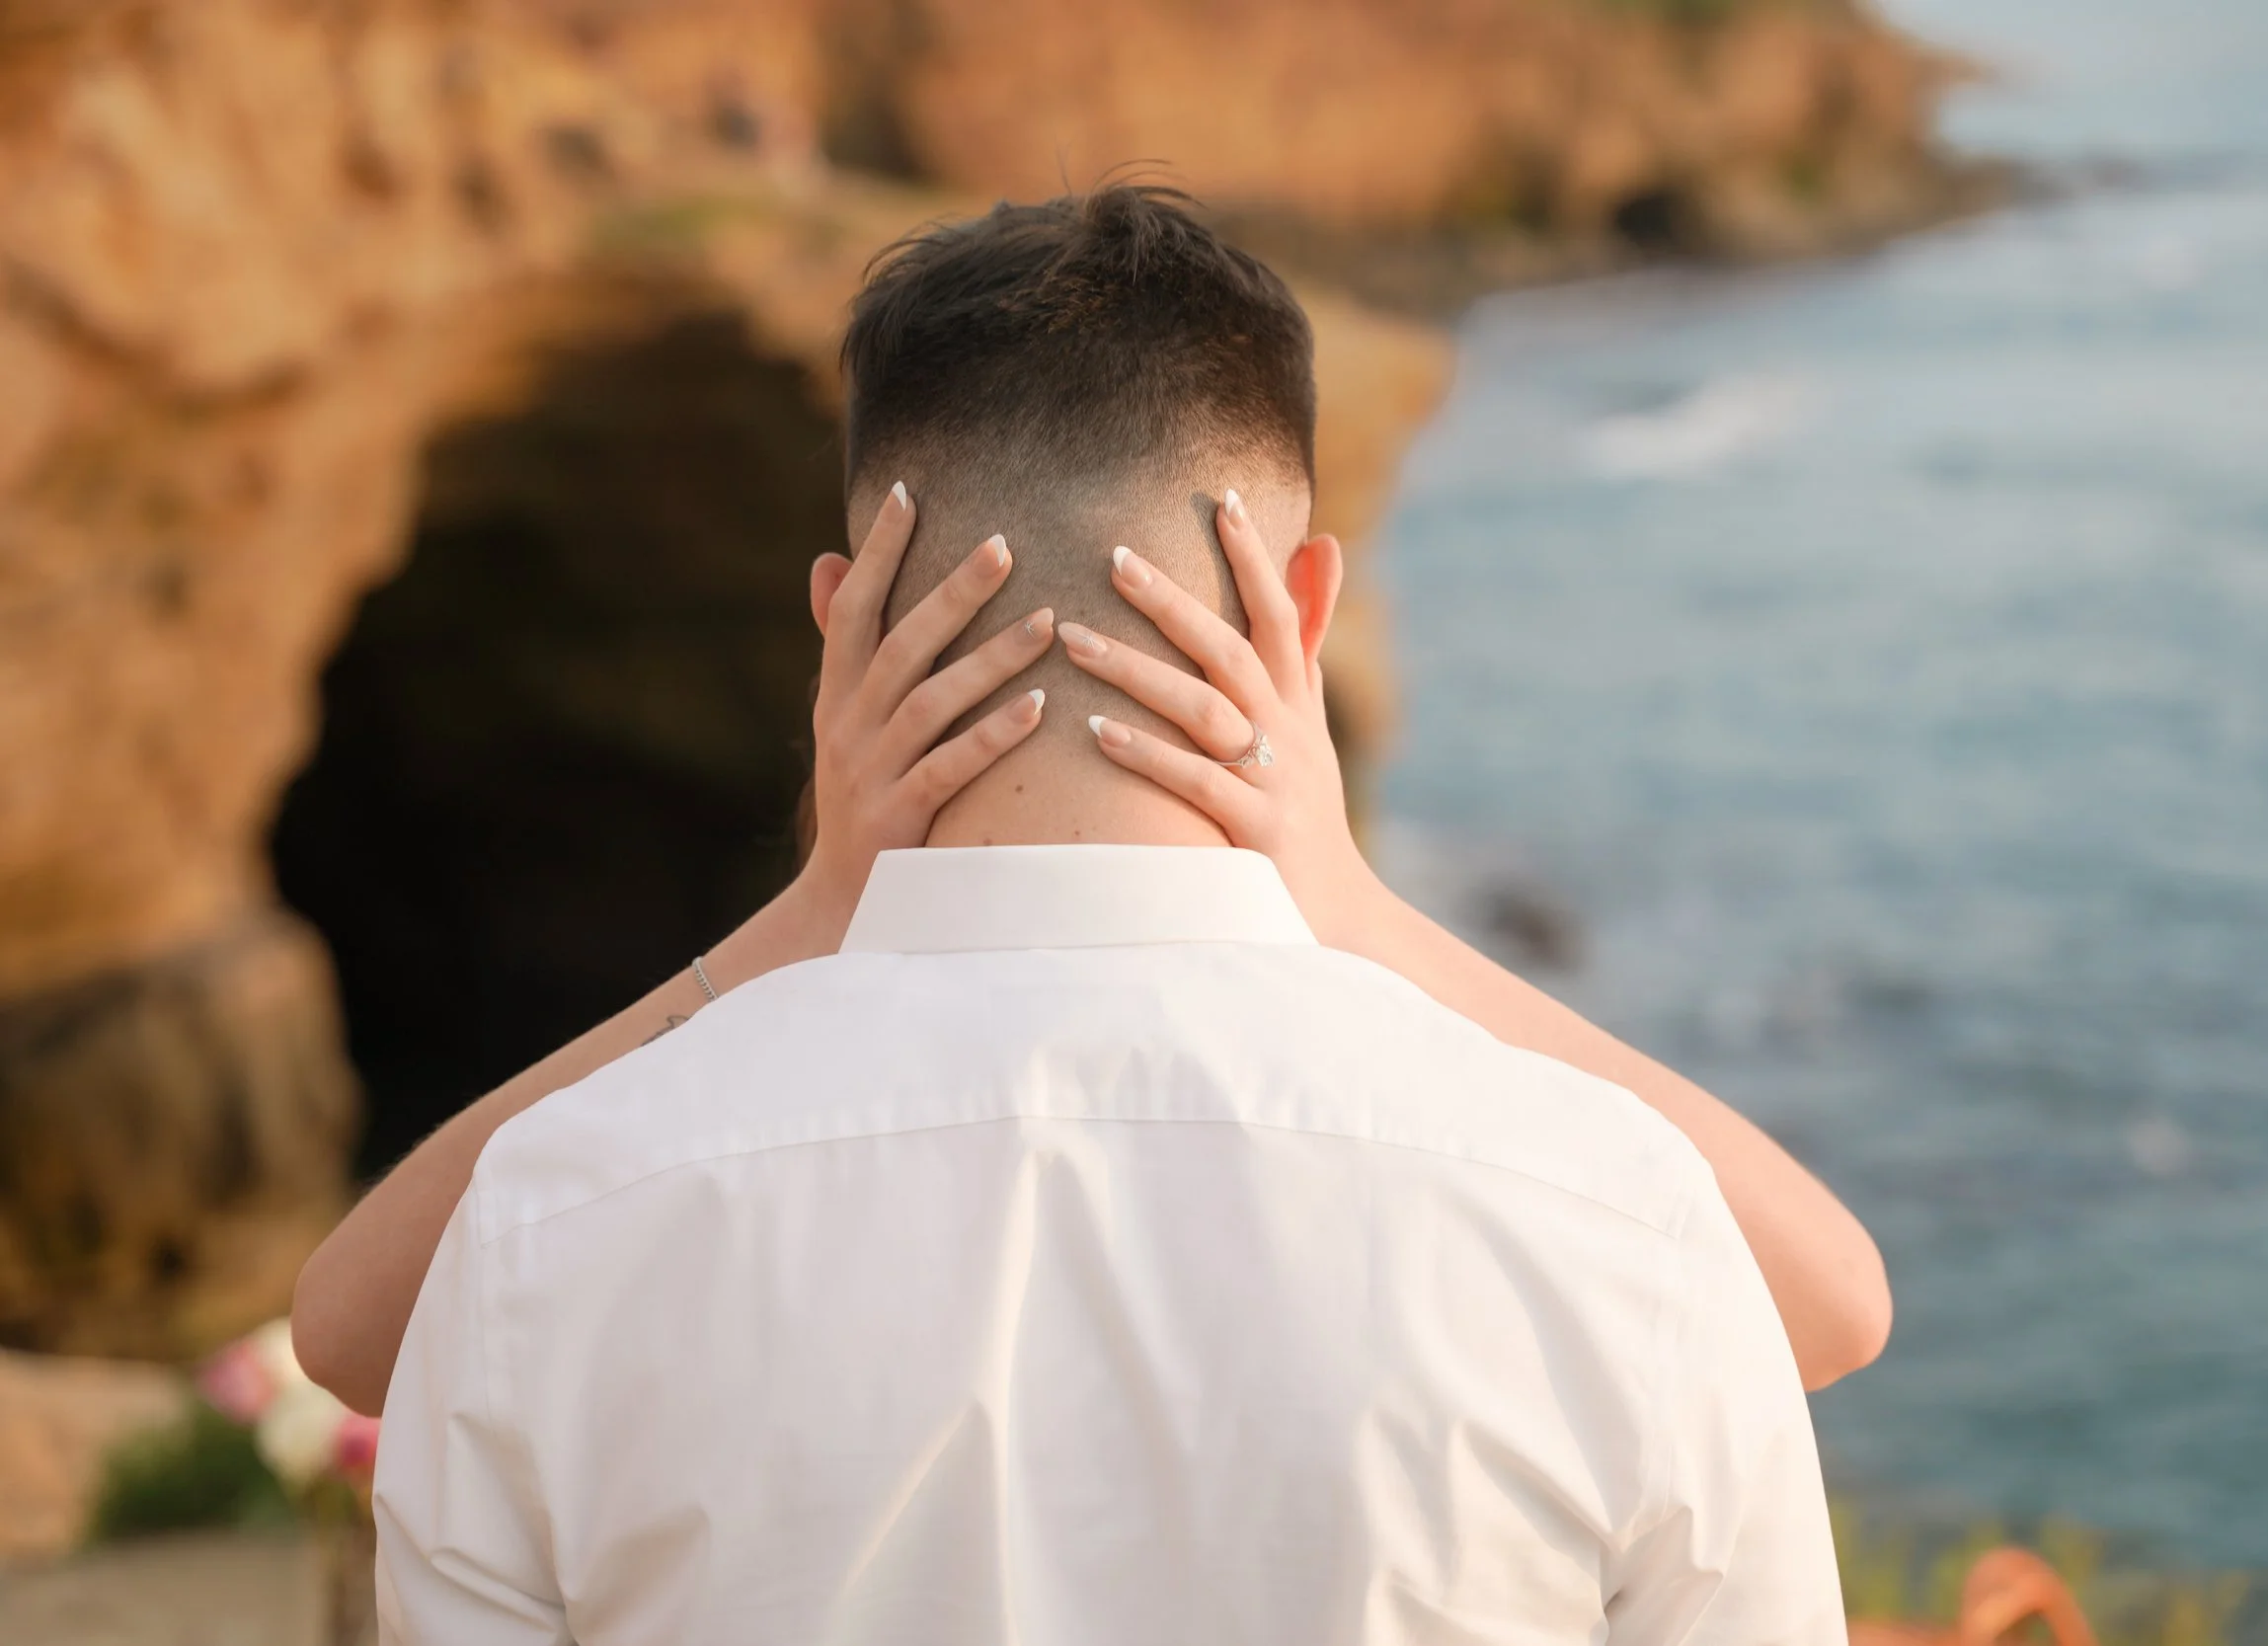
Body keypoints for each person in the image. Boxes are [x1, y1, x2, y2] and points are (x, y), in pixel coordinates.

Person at [306, 186, 1883, 1646]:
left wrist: (815, 907)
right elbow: (1828, 1302)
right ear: (1310, 610)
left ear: (841, 623)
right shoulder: (1616, 1217)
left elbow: (352, 1328)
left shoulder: (549, 1223)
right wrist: (1347, 901)